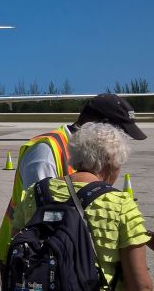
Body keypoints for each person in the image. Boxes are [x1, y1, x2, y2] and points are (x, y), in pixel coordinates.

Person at [0, 93, 148, 279]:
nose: (122, 144)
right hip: (33, 258)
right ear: (103, 127)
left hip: (63, 256)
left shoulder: (89, 154)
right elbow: (41, 214)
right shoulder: (46, 150)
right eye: (121, 134)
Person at [11, 123, 152, 290]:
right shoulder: (121, 204)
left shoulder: (34, 193)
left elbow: (17, 248)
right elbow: (140, 285)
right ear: (111, 162)